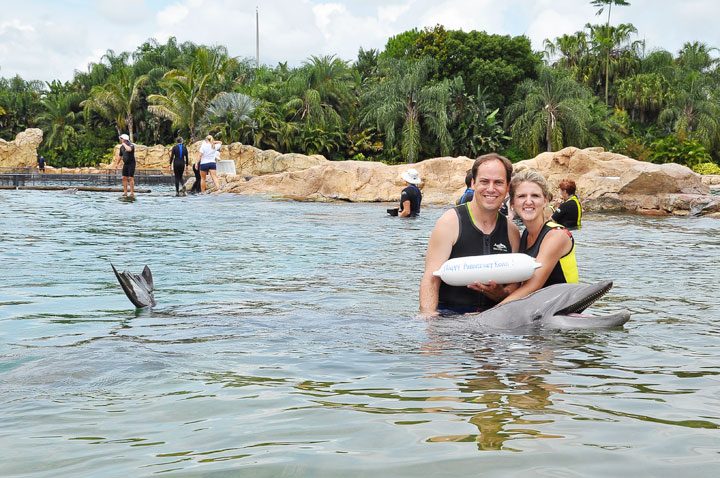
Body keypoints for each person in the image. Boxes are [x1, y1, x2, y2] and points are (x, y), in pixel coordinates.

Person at [419, 153, 521, 315]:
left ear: (508, 187)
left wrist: (499, 294)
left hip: (492, 318)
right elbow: (431, 278)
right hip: (450, 316)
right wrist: (429, 318)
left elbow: (515, 285)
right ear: (473, 183)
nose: (491, 189)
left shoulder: (512, 231)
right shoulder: (450, 223)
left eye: (499, 183)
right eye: (484, 181)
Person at [498, 169, 578, 304]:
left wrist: (487, 315)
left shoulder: (556, 235)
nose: (528, 201)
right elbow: (519, 285)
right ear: (512, 203)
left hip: (564, 310)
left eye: (535, 196)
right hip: (538, 311)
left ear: (545, 200)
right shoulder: (524, 235)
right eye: (522, 196)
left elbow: (532, 285)